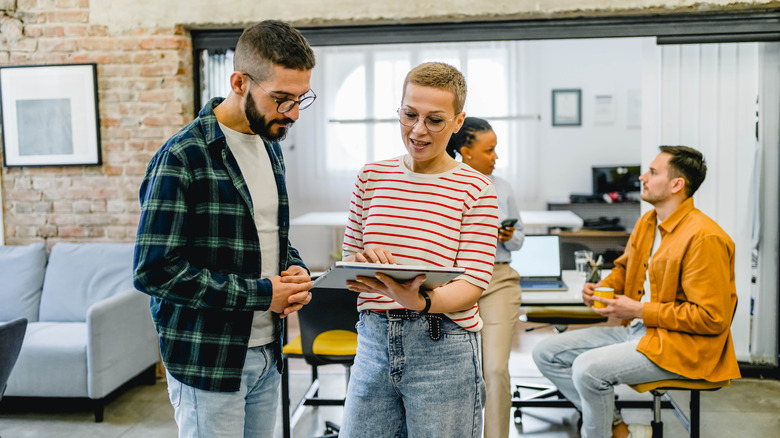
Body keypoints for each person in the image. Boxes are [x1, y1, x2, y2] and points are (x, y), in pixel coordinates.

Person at [133, 20, 315, 438]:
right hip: (208, 361)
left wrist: (295, 269)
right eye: (281, 99)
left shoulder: (269, 145)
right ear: (238, 82)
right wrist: (263, 294)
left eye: (300, 99)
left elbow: (269, 234)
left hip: (268, 353)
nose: (292, 113)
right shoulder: (182, 156)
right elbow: (154, 271)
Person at [532, 146, 741, 438]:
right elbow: (624, 268)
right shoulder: (648, 222)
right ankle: (616, 428)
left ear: (676, 184)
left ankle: (607, 432)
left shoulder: (705, 238)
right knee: (546, 352)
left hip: (683, 347)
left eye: (653, 172)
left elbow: (712, 318)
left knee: (586, 369)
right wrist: (602, 288)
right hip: (639, 331)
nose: (642, 177)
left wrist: (639, 310)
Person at [338, 62, 499, 437]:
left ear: (458, 122)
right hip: (373, 340)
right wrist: (362, 264)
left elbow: (473, 283)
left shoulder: (476, 189)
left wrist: (419, 301)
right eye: (409, 115)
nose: (418, 130)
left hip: (442, 344)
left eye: (435, 120)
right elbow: (349, 266)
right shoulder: (371, 177)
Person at [446, 117, 525, 438]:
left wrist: (508, 236)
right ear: (466, 151)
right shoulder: (445, 183)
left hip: (498, 279)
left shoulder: (502, 188)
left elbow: (519, 238)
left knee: (494, 368)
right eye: (489, 150)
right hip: (454, 282)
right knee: (456, 373)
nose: (496, 157)